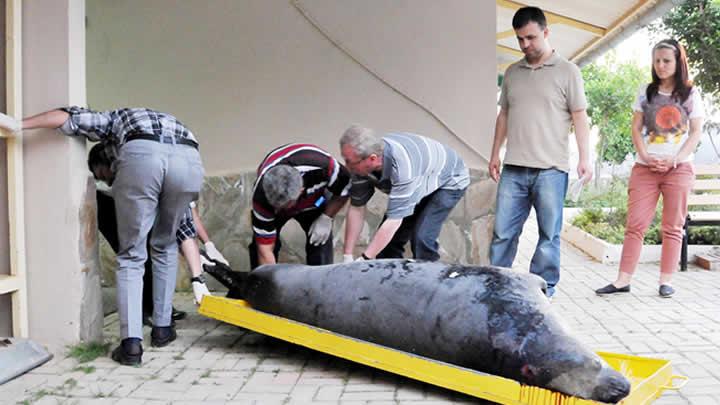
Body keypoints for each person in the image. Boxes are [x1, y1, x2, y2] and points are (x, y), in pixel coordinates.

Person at [0, 107, 205, 366]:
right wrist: (199, 276)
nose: (108, 184)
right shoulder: (171, 123)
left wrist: (19, 124)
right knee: (164, 245)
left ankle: (131, 345)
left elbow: (69, 117)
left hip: (143, 157)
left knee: (131, 255)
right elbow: (185, 225)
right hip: (190, 159)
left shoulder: (117, 119)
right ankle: (163, 330)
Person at [488, 6, 592, 298]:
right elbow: (503, 116)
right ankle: (498, 286)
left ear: (546, 33)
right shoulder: (512, 72)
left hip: (551, 169)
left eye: (531, 38)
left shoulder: (568, 71)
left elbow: (580, 116)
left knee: (549, 237)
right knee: (503, 235)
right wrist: (495, 153)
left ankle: (542, 293)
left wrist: (585, 158)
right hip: (514, 169)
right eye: (520, 39)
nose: (525, 45)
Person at [596, 39, 705, 298]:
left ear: (678, 62)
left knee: (672, 227)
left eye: (666, 60)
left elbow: (696, 131)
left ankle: (665, 281)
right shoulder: (646, 91)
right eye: (657, 61)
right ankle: (623, 281)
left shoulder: (690, 94)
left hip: (678, 169)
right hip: (645, 168)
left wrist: (675, 159)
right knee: (635, 225)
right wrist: (644, 155)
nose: (661, 65)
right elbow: (635, 127)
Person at [89, 143, 225, 321]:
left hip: (144, 217)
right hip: (128, 222)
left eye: (98, 171)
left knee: (158, 257)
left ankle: (159, 309)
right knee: (140, 259)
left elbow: (188, 217)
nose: (99, 178)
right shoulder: (116, 185)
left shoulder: (161, 177)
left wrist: (207, 245)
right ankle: (148, 311)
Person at [340, 125, 469, 262]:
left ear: (372, 159)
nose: (348, 167)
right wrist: (347, 256)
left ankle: (428, 279)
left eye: (350, 162)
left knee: (422, 238)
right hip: (422, 178)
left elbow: (394, 221)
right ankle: (390, 281)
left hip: (450, 180)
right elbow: (357, 208)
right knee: (387, 244)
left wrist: (365, 259)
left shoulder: (402, 167)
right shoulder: (360, 166)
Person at [250, 143, 351, 268]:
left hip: (315, 200)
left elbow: (344, 190)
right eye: (278, 206)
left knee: (320, 243)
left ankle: (320, 284)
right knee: (258, 250)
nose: (280, 208)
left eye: (285, 205)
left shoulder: (323, 166)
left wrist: (327, 217)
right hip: (275, 204)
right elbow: (265, 250)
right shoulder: (261, 197)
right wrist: (270, 282)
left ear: (301, 190)